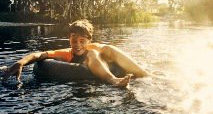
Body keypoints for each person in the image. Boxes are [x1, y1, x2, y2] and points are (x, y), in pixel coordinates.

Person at [2, 19, 149, 87]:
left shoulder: (95, 47)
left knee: (103, 50)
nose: (77, 45)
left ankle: (145, 74)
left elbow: (112, 52)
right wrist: (21, 62)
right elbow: (40, 55)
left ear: (89, 39)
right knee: (91, 54)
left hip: (97, 72)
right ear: (69, 39)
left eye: (82, 40)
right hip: (80, 79)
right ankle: (113, 80)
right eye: (74, 40)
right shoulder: (67, 53)